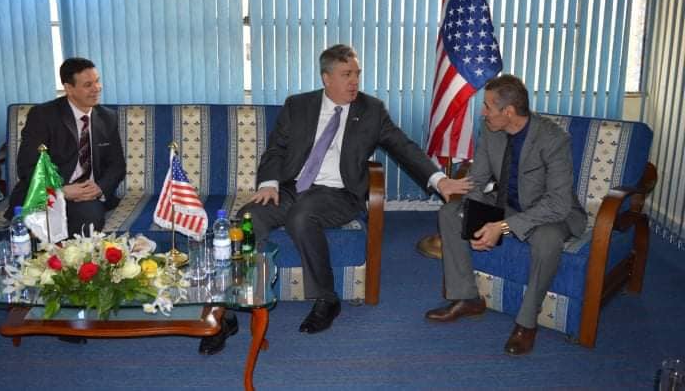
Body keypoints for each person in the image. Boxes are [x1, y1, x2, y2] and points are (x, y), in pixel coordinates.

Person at [237, 44, 472, 335]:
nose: (354, 81)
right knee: (249, 218)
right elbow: (276, 149)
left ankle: (327, 299)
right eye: (346, 74)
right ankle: (242, 293)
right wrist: (269, 183)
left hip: (339, 193)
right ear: (326, 78)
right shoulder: (298, 105)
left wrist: (438, 180)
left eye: (356, 74)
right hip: (293, 188)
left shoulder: (371, 110)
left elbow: (404, 147)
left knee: (301, 216)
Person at [425, 74, 586, 355]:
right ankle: (467, 298)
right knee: (451, 212)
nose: (482, 112)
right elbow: (478, 179)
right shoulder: (491, 130)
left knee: (547, 240)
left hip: (549, 212)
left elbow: (558, 203)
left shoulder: (553, 139)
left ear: (508, 111)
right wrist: (474, 221)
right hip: (508, 203)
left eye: (487, 106)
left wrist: (502, 226)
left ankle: (527, 323)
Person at [5, 57, 126, 237]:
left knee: (89, 220)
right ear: (69, 88)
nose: (96, 88)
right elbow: (27, 165)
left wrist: (99, 188)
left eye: (97, 81)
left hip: (86, 197)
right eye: (88, 85)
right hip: (47, 193)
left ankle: (66, 253)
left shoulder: (107, 117)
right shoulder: (43, 116)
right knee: (38, 220)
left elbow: (117, 165)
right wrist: (60, 191)